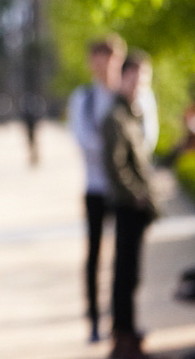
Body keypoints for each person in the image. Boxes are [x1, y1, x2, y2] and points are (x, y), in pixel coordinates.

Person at [68, 34, 126, 343]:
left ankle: (120, 317)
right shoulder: (83, 98)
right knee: (94, 254)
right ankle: (94, 318)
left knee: (124, 256)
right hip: (95, 186)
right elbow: (81, 138)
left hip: (124, 189)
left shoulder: (130, 95)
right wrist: (112, 150)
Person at [103, 52, 158, 359]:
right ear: (123, 78)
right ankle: (122, 337)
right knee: (124, 274)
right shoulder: (116, 116)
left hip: (136, 205)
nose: (139, 84)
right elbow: (116, 167)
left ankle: (128, 331)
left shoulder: (133, 113)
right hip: (127, 206)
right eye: (135, 78)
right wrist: (136, 194)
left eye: (143, 79)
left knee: (131, 274)